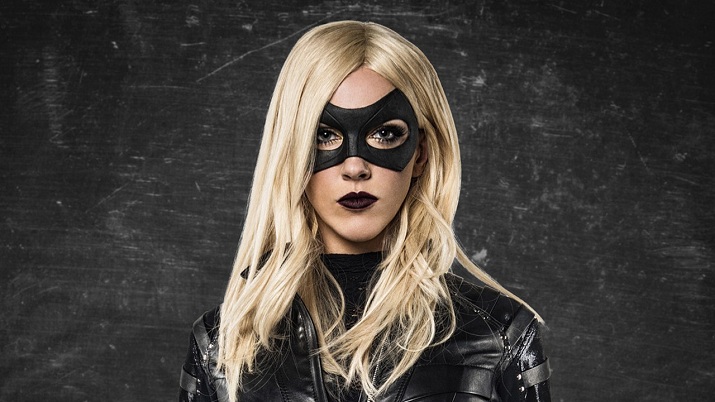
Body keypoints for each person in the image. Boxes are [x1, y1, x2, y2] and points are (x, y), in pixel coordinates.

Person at [179, 20, 551, 402]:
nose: (355, 167)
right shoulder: (221, 346)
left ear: (421, 153)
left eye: (385, 134)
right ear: (292, 152)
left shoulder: (499, 335)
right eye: (325, 135)